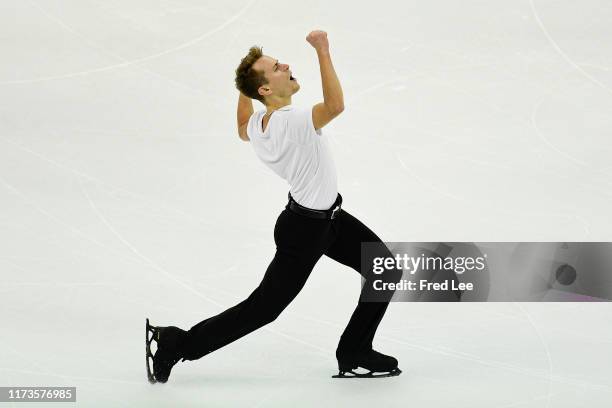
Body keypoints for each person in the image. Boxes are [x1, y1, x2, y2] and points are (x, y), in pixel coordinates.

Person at [146, 30, 401, 383]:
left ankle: (355, 350)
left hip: (326, 220)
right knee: (264, 309)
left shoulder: (259, 125)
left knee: (384, 268)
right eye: (277, 67)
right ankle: (178, 343)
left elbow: (239, 126)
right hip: (307, 231)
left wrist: (244, 87)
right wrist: (323, 51)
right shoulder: (292, 121)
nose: (286, 65)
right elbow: (336, 106)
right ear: (265, 89)